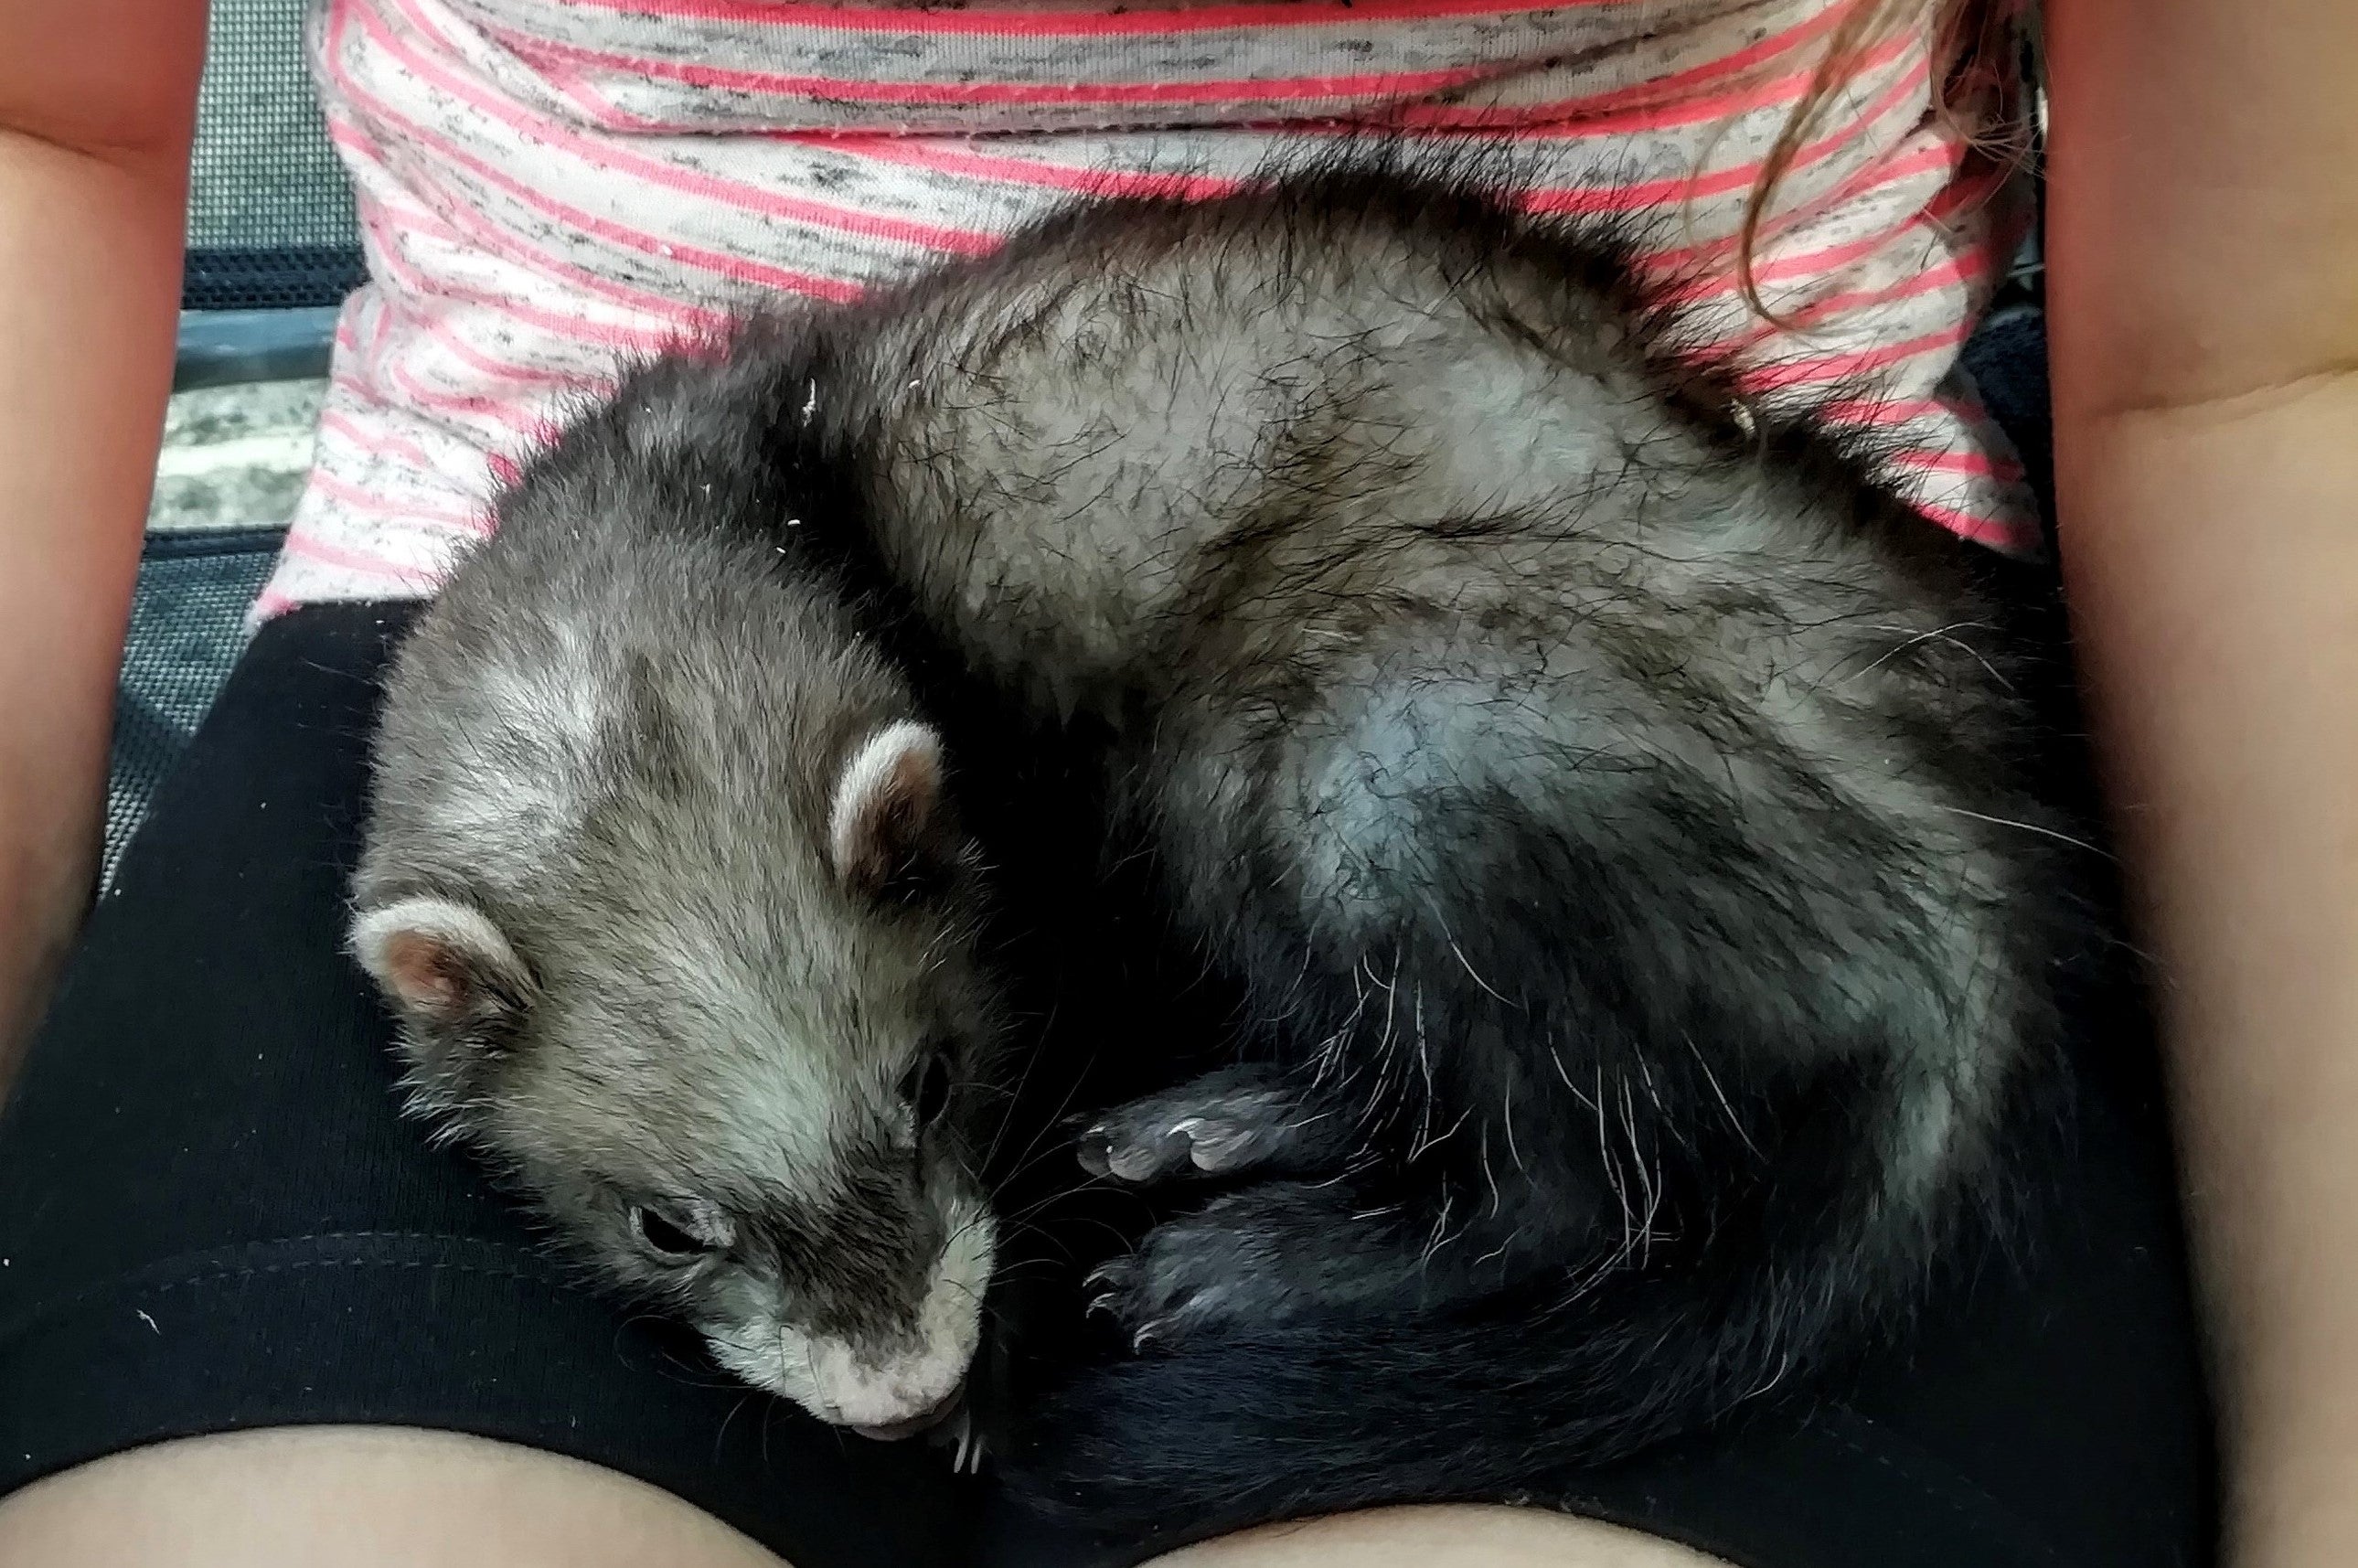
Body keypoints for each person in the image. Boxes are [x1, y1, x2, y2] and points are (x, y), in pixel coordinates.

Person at [0, 0, 2333, 1560]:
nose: (886, 1371)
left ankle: (1456, 1206)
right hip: (604, 685)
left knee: (1383, 812)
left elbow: (2279, 361)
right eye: (678, 1230)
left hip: (1676, 635)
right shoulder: (633, 750)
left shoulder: (930, 688)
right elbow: (38, 124)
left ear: (911, 837)